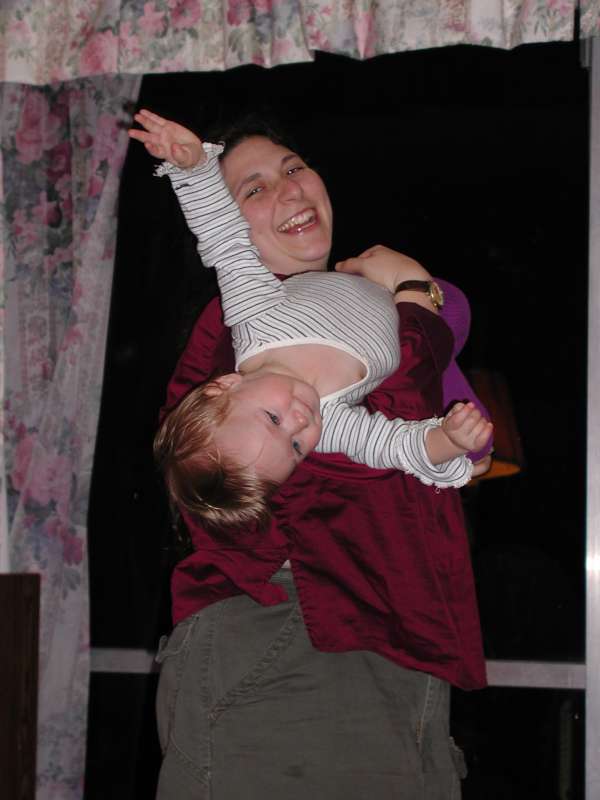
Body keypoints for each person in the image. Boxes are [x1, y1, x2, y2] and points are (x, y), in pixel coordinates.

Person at [133, 109, 491, 799]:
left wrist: (423, 311)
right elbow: (372, 438)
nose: (289, 188)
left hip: (394, 630)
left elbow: (463, 446)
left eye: (293, 167)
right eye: (254, 188)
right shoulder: (236, 328)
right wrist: (415, 295)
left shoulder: (352, 319)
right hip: (295, 626)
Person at [130, 110, 492, 532]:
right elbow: (392, 444)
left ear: (225, 385)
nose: (299, 423)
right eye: (297, 447)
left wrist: (192, 168)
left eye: (293, 169)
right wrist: (448, 442)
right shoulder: (330, 421)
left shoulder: (254, 314)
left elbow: (224, 242)